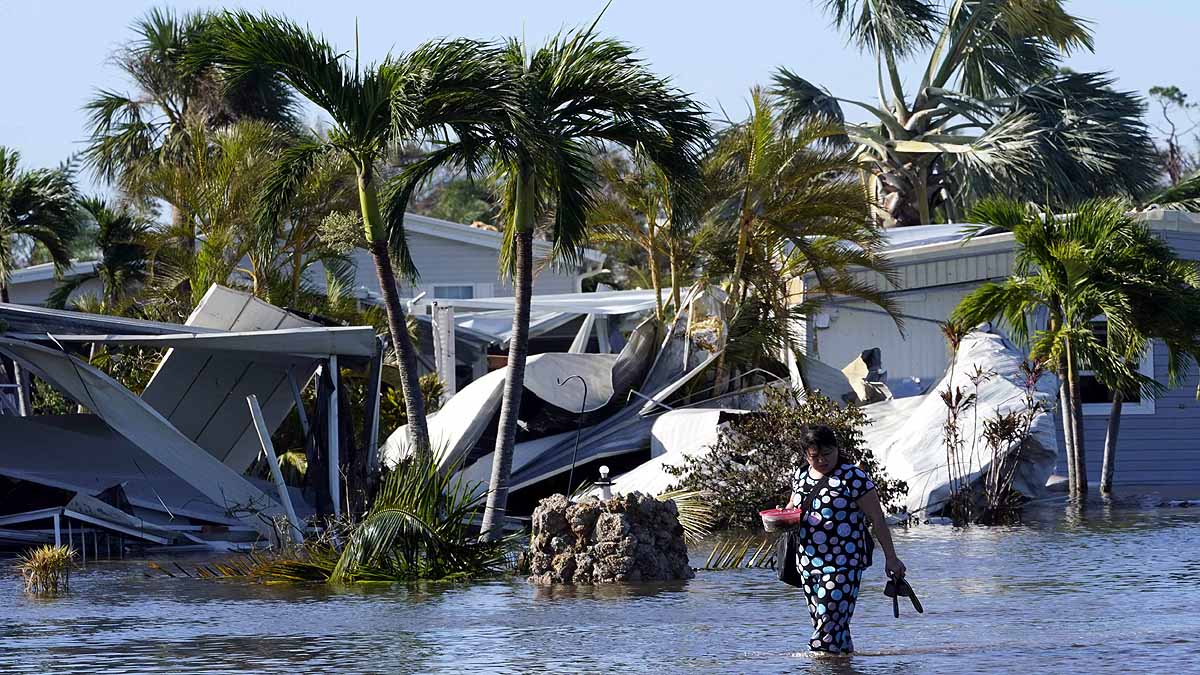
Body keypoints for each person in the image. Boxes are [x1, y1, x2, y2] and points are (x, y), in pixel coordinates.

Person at [783, 424, 907, 655]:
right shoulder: (801, 475)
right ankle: (844, 666)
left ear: (837, 449)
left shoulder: (853, 477)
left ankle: (817, 667)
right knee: (833, 628)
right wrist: (781, 516)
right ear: (805, 455)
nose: (821, 460)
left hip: (844, 563)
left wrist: (891, 558)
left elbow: (877, 519)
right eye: (814, 456)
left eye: (827, 454)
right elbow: (793, 507)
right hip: (808, 563)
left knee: (826, 628)